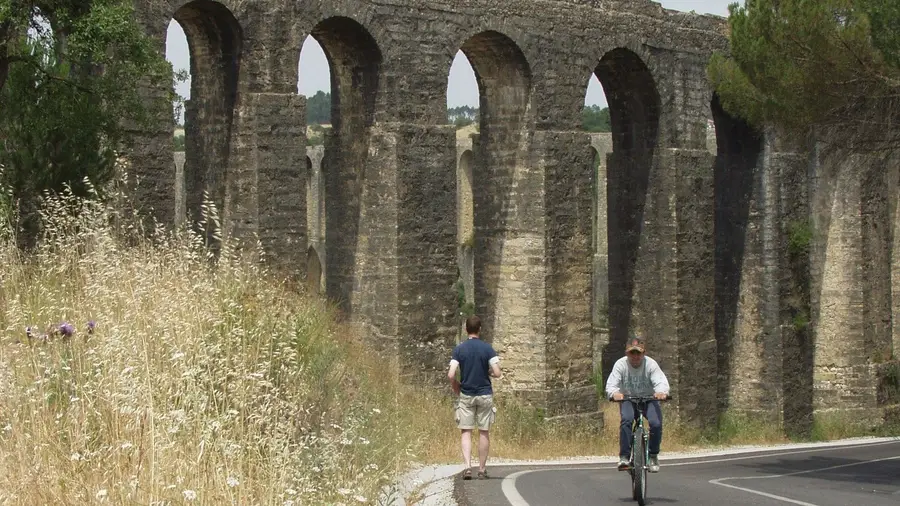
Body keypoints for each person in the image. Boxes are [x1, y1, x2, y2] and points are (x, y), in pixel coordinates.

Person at [447, 315, 502, 480]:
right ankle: (482, 469)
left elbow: (451, 374)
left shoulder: (459, 349)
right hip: (484, 393)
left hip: (467, 393)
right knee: (484, 431)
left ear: (466, 330)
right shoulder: (487, 349)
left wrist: (456, 386)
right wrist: (489, 372)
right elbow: (498, 372)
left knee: (466, 431)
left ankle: (467, 467)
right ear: (480, 329)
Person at [605, 335, 670, 473]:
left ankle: (653, 455)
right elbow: (611, 385)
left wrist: (661, 392)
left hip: (648, 399)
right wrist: (614, 394)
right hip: (628, 399)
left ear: (643, 353)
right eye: (632, 353)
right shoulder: (620, 365)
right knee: (626, 420)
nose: (635, 356)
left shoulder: (651, 364)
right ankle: (624, 457)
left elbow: (660, 382)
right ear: (626, 353)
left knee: (656, 423)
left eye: (638, 353)